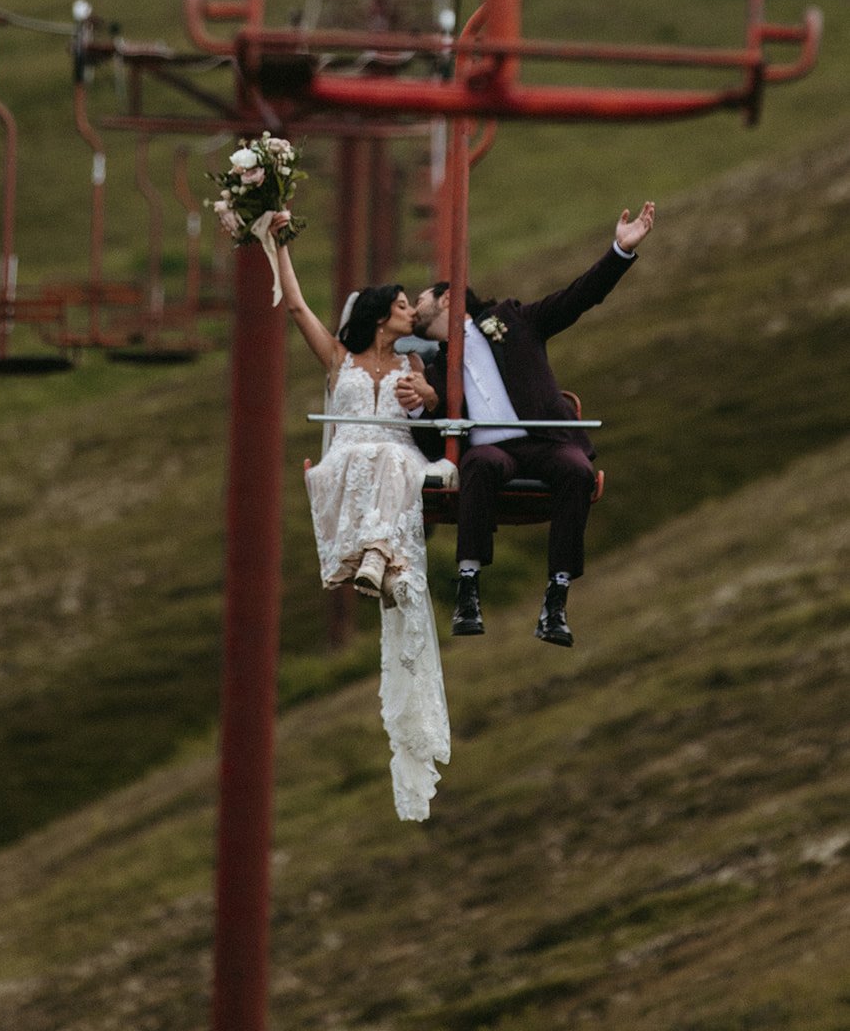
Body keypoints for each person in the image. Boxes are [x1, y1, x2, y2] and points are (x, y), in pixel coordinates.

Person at [404, 203, 655, 648]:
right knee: (478, 466)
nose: (413, 311)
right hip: (491, 451)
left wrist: (620, 251)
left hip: (541, 440)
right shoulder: (435, 369)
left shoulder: (514, 321)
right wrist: (419, 408)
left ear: (446, 298)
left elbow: (578, 297)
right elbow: (431, 443)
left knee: (576, 471)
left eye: (419, 300)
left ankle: (557, 596)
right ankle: (469, 587)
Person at [271, 212, 450, 822]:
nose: (411, 314)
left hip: (390, 461)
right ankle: (381, 560)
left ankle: (380, 560)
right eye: (403, 306)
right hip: (352, 462)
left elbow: (429, 414)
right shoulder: (338, 361)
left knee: (391, 457)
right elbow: (295, 307)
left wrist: (425, 397)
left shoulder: (412, 368)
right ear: (381, 314)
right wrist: (278, 243)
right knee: (369, 456)